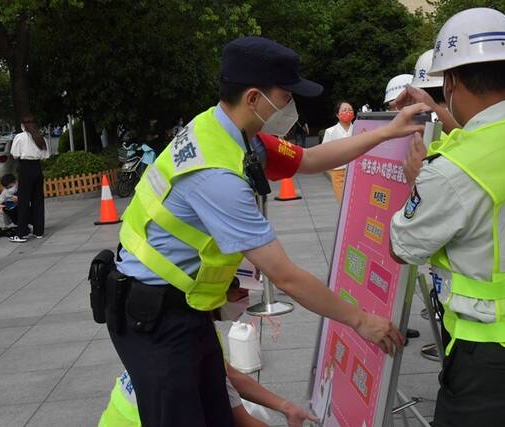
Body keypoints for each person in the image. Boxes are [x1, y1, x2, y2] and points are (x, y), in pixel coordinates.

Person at [108, 36, 424, 427]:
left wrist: (383, 133)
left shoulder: (235, 135)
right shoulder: (216, 173)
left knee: (219, 415)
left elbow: (307, 159)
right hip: (155, 321)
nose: (291, 104)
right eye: (286, 94)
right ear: (255, 98)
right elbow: (286, 276)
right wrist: (360, 320)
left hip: (186, 311)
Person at [389, 9, 505, 426]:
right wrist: (436, 108)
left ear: (452, 81)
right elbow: (486, 134)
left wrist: (415, 183)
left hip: (494, 359)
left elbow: (402, 247)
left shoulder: (449, 172)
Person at [99, 282, 317, 427]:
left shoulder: (185, 325)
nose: (245, 301)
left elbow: (231, 375)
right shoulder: (190, 345)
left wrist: (286, 407)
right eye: (240, 294)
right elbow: (241, 419)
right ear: (216, 294)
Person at [9, 115, 49, 243]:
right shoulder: (40, 137)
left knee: (24, 201)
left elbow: (15, 155)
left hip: (25, 168)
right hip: (37, 168)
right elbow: (45, 156)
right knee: (38, 200)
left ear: (22, 125)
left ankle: (22, 233)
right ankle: (39, 231)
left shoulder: (19, 137)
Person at [321, 100, 354, 202]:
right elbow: (324, 152)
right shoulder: (330, 132)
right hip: (338, 172)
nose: (347, 112)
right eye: (344, 110)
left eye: (350, 110)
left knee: (354, 202)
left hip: (355, 171)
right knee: (342, 202)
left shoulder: (358, 129)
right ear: (337, 114)